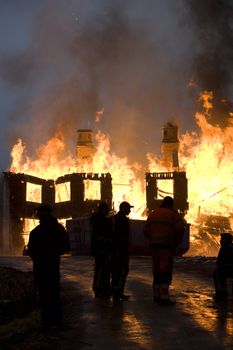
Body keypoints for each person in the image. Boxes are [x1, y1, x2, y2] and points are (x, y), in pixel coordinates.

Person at [28, 204, 70, 329]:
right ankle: (56, 322)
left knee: (45, 296)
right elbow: (66, 247)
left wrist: (42, 256)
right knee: (53, 294)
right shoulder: (58, 229)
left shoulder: (36, 232)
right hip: (51, 268)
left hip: (42, 269)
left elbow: (32, 252)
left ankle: (48, 323)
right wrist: (53, 253)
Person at [144, 196, 184, 305]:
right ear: (171, 205)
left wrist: (153, 239)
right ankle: (164, 297)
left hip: (154, 247)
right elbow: (180, 230)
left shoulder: (153, 214)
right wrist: (175, 244)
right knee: (165, 272)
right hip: (166, 247)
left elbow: (146, 230)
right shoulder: (173, 215)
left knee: (156, 271)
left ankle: (156, 296)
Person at [111, 201, 133, 301]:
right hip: (121, 250)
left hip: (116, 249)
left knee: (116, 271)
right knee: (122, 271)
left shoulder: (115, 218)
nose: (129, 210)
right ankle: (118, 292)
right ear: (124, 208)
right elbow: (122, 236)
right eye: (128, 208)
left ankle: (116, 292)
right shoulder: (122, 219)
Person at [90, 202, 112, 298]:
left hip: (98, 248)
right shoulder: (101, 220)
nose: (108, 211)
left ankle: (100, 288)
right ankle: (101, 288)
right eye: (107, 209)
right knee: (102, 268)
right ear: (103, 209)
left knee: (101, 268)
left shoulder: (96, 218)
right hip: (101, 248)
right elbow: (101, 234)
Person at [213, 232, 233, 301]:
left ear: (226, 239)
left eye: (222, 239)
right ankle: (222, 292)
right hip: (228, 268)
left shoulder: (228, 247)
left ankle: (221, 293)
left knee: (217, 274)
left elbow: (224, 260)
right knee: (218, 272)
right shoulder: (226, 247)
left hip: (230, 268)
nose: (220, 241)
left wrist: (223, 267)